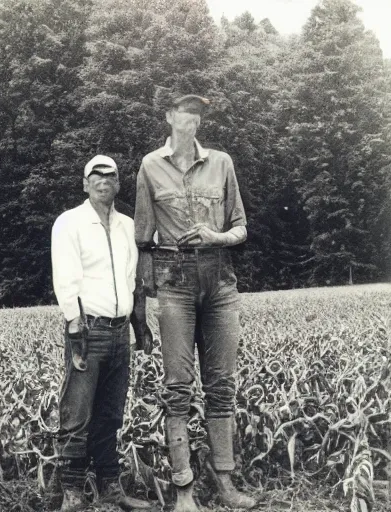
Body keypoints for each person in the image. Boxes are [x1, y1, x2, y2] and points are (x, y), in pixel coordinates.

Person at [133, 94, 257, 510]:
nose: (191, 121)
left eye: (197, 115)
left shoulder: (221, 162)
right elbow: (143, 240)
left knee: (222, 385)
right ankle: (183, 489)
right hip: (175, 283)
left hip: (220, 280)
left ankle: (225, 483)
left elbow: (240, 228)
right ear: (169, 117)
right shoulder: (150, 166)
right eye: (183, 114)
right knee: (177, 387)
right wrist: (141, 304)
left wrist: (214, 236)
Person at [51, 155, 150, 511]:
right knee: (77, 413)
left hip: (120, 331)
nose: (103, 181)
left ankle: (111, 489)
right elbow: (66, 279)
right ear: (85, 183)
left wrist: (140, 323)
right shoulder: (70, 223)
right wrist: (75, 329)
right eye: (96, 175)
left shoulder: (126, 225)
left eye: (110, 176)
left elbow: (132, 278)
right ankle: (73, 494)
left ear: (119, 184)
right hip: (88, 330)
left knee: (111, 413)